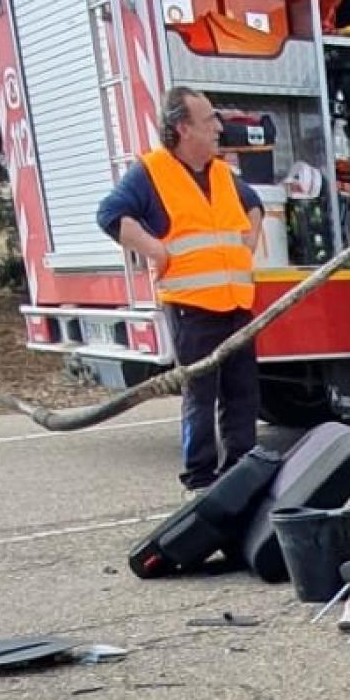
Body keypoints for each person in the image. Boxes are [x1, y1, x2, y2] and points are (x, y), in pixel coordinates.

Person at [98, 88, 262, 489]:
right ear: (183, 128)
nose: (218, 127)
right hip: (192, 309)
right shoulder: (152, 173)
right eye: (209, 121)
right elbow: (110, 215)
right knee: (200, 397)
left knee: (242, 395)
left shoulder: (221, 173)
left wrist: (247, 247)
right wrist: (156, 251)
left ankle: (242, 474)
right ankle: (200, 480)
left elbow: (253, 205)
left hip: (237, 305)